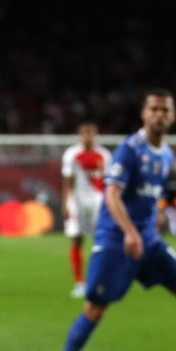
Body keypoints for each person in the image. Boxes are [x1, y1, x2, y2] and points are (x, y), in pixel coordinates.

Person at [51, 89, 176, 351]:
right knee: (96, 306)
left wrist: (156, 216)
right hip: (115, 240)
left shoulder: (167, 155)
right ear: (144, 114)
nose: (159, 114)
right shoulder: (130, 149)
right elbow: (112, 195)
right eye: (154, 109)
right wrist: (130, 232)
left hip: (148, 240)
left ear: (173, 116)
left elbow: (149, 196)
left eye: (165, 110)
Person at [60, 121, 112, 299]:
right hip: (78, 201)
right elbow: (68, 181)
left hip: (99, 201)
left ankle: (98, 280)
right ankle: (79, 283)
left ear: (96, 135)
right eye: (85, 133)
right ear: (80, 135)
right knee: (77, 239)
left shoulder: (104, 155)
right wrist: (66, 203)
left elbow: (109, 182)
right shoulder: (71, 154)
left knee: (102, 240)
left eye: (92, 133)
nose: (88, 136)